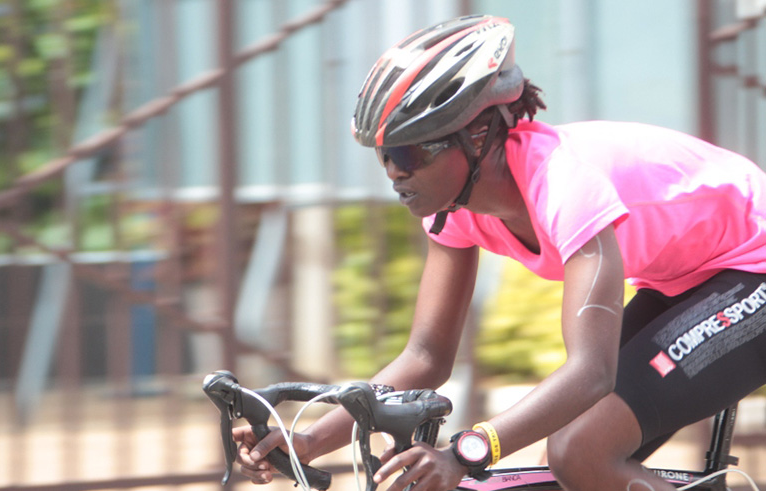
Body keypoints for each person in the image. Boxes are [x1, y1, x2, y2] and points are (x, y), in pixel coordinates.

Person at [233, 14, 766, 491]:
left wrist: (466, 452)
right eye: (384, 156)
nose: (396, 171)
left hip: (754, 267)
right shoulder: (453, 209)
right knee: (562, 467)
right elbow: (425, 358)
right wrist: (307, 440)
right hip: (687, 279)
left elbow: (590, 372)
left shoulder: (564, 184)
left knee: (580, 451)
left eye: (409, 150)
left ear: (479, 135)